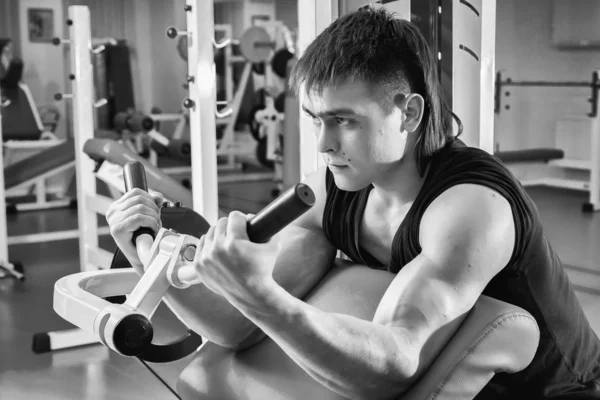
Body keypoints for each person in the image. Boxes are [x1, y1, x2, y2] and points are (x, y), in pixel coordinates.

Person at [106, 7, 600, 399]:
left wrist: (260, 295)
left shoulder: (470, 208)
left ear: (408, 113)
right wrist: (147, 256)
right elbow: (235, 328)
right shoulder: (335, 192)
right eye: (316, 119)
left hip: (549, 391)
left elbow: (394, 361)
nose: (322, 144)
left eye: (345, 120)